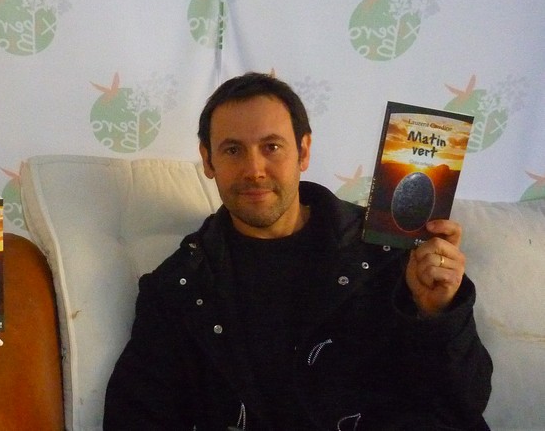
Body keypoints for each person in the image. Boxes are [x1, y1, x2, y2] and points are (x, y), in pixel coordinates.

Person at [104, 72, 493, 430]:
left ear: (303, 152)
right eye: (233, 150)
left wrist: (438, 313)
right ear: (208, 160)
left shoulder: (387, 252)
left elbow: (464, 404)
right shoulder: (180, 290)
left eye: (271, 147)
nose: (254, 169)